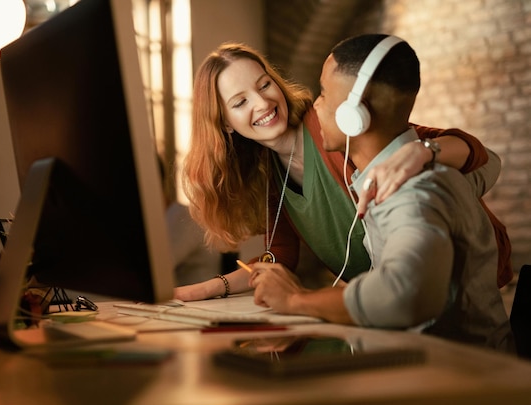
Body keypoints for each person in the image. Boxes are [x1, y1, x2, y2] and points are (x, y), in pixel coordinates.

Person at [173, 41, 512, 302]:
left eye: (264, 85)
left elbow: (479, 154)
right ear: (225, 124)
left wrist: (420, 152)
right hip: (382, 305)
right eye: (240, 102)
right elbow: (278, 258)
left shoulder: (331, 126)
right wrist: (204, 290)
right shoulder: (270, 174)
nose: (262, 103)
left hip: (451, 293)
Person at [247, 34, 515, 352]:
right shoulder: (399, 177)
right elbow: (486, 165)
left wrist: (295, 299)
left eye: (323, 93)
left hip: (456, 380)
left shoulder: (412, 192)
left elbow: (405, 295)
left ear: (355, 116)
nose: (315, 104)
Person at [158, 157, 224, 286]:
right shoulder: (166, 217)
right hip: (180, 301)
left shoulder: (182, 217)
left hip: (201, 302)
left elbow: (155, 270)